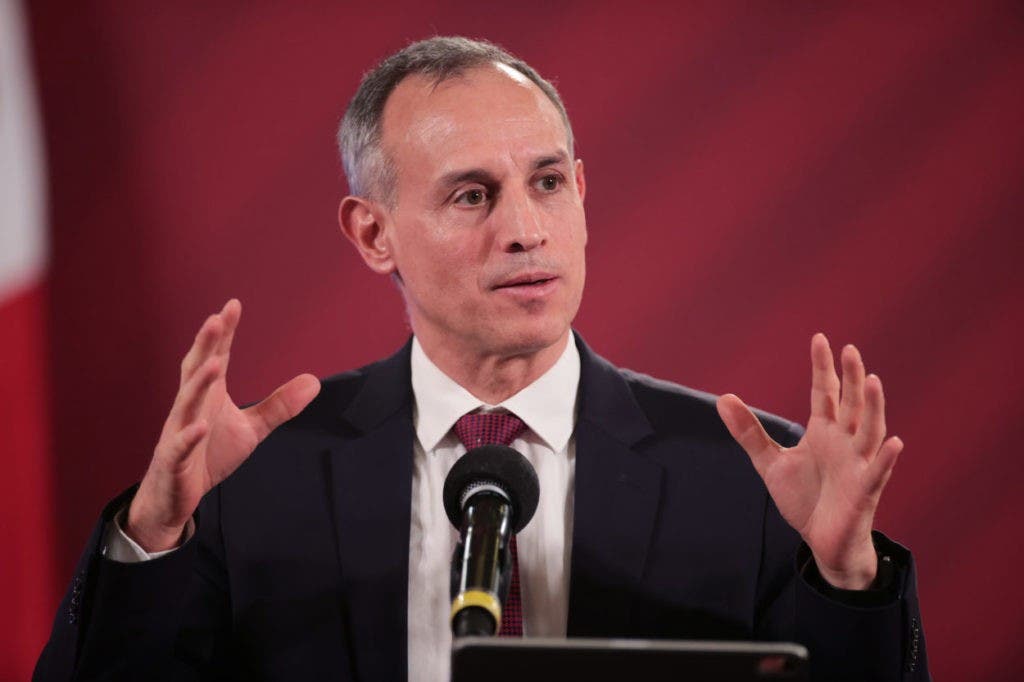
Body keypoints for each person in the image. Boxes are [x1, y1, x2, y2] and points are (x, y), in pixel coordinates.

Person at [34, 37, 929, 682]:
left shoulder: (753, 477)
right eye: (472, 195)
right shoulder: (252, 479)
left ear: (581, 193)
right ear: (373, 233)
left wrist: (846, 578)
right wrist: (153, 538)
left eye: (548, 182)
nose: (526, 230)